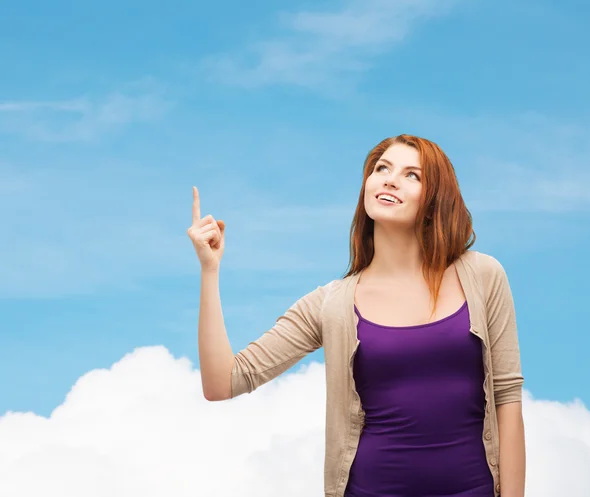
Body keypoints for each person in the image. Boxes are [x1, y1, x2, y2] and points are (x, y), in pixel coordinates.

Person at [188, 134, 526, 497]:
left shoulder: (482, 276)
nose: (390, 179)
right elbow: (223, 382)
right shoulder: (331, 303)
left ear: (434, 202)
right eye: (382, 168)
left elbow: (507, 397)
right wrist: (210, 271)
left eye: (412, 175)